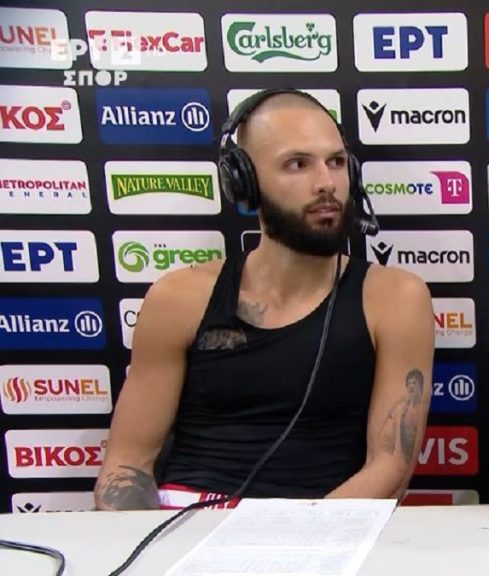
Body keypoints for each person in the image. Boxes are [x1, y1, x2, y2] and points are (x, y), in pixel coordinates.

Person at [94, 90, 435, 510]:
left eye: (336, 162)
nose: (327, 183)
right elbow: (127, 463)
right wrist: (140, 539)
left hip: (322, 525)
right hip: (183, 522)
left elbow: (390, 467)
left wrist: (291, 539)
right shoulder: (178, 298)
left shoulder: (395, 298)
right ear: (244, 182)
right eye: (298, 164)